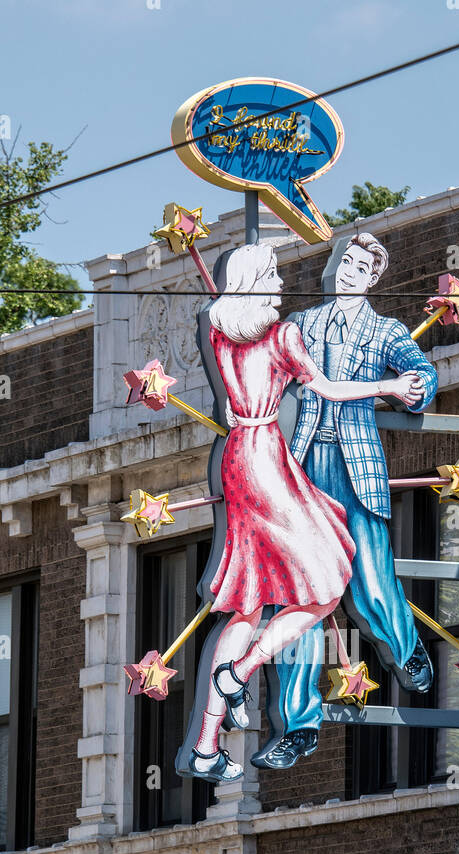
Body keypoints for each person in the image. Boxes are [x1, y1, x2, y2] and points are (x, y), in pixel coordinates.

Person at [188, 242, 424, 783]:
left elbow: (228, 406)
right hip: (276, 460)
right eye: (272, 274)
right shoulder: (288, 332)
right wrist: (388, 387)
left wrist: (414, 385)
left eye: (362, 267)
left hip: (241, 459)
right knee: (324, 584)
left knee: (248, 603)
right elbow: (329, 389)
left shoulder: (218, 327)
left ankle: (205, 745)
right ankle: (249, 678)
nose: (280, 282)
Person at [254, 231, 439, 771]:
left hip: (356, 470)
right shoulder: (301, 326)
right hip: (303, 469)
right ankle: (297, 726)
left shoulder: (386, 331)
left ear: (373, 278)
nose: (349, 271)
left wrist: (413, 388)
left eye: (361, 266)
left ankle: (404, 647)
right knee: (298, 603)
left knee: (372, 586)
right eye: (345, 261)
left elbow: (422, 374)